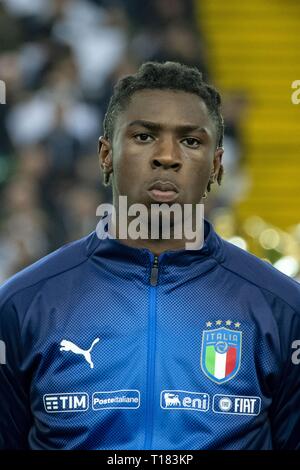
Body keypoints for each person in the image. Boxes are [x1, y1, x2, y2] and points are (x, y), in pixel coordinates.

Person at [0, 61, 300, 450]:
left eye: (191, 141)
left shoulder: (283, 309)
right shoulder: (23, 304)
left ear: (217, 165)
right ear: (106, 154)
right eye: (144, 136)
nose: (167, 156)